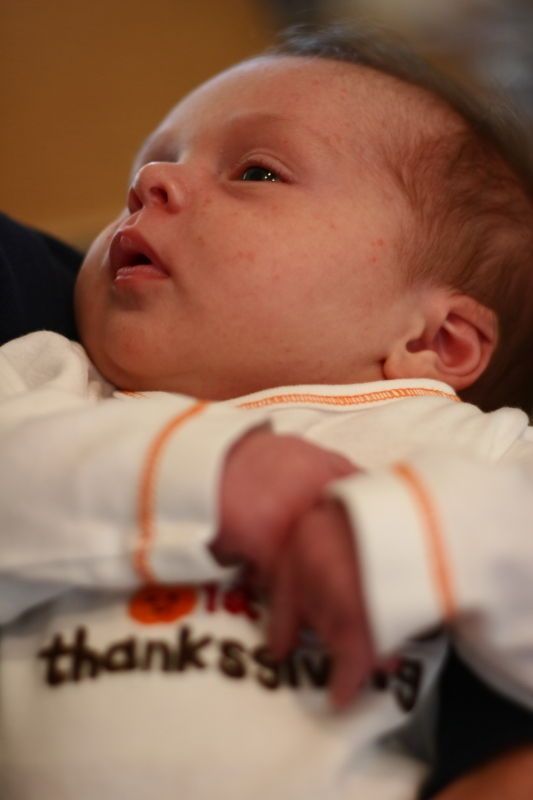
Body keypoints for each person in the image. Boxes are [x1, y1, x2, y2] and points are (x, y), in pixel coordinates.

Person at [1, 24, 533, 800]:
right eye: (152, 161)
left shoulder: (462, 449)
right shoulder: (52, 379)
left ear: (434, 339)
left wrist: (414, 534)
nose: (151, 180)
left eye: (255, 171)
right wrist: (197, 477)